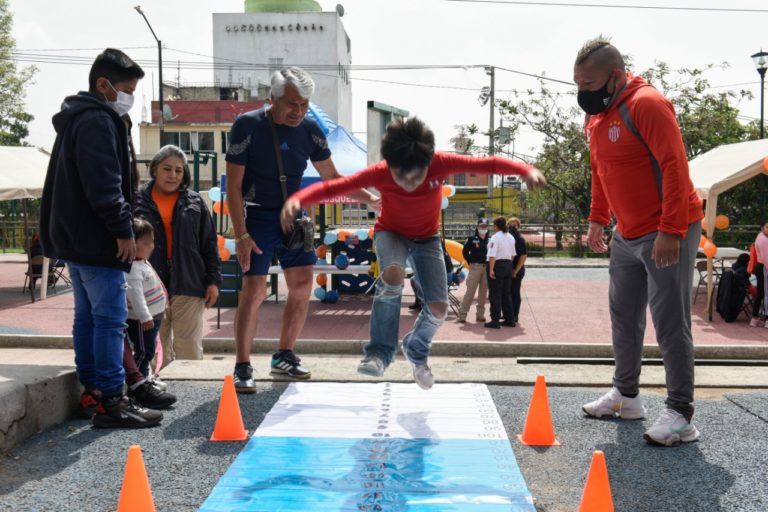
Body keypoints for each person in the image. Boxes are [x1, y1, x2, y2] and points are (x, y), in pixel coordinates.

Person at [281, 117, 546, 389]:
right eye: (401, 176)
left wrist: (525, 169)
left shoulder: (441, 162)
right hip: (391, 234)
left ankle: (416, 349)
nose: (409, 182)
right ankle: (379, 353)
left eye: (416, 176)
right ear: (391, 166)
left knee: (439, 308)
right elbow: (337, 186)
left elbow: (486, 163)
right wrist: (298, 199)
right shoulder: (380, 172)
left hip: (427, 239)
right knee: (393, 276)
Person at [575, 37, 704, 446]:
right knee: (624, 317)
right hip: (626, 233)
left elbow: (674, 165)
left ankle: (681, 414)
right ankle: (626, 396)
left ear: (615, 77)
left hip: (666, 229)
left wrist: (671, 229)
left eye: (590, 83)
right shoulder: (596, 118)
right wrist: (598, 218)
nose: (584, 93)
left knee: (670, 323)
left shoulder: (647, 103)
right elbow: (600, 171)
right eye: (578, 84)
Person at [225, 67, 379, 393]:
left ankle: (285, 355)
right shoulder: (247, 126)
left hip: (294, 216)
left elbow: (333, 178)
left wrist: (371, 200)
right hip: (255, 216)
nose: (299, 112)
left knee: (301, 287)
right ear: (273, 99)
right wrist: (240, 235)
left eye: (305, 105)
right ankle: (242, 365)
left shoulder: (310, 129)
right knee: (253, 292)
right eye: (292, 104)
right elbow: (234, 187)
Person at [39, 48, 162, 428]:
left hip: (78, 239)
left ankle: (95, 390)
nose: (130, 98)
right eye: (125, 89)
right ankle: (112, 400)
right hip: (98, 240)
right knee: (109, 320)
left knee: (89, 318)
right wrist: (122, 229)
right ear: (102, 85)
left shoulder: (79, 117)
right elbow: (104, 183)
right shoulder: (97, 120)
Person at [134, 145, 221, 368]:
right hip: (149, 286)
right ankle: (159, 395)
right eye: (167, 169)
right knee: (154, 350)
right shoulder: (136, 201)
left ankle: (190, 394)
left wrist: (213, 282)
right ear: (154, 170)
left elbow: (209, 244)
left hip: (189, 283)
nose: (173, 175)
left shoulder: (195, 202)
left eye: (179, 170)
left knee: (189, 349)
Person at [124, 218, 177, 409]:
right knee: (144, 351)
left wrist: (162, 304)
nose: (151, 246)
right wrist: (145, 316)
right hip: (140, 320)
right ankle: (137, 386)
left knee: (148, 350)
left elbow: (155, 285)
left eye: (151, 241)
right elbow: (136, 296)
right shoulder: (132, 268)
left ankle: (144, 379)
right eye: (145, 243)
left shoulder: (142, 263)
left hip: (152, 317)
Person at [485, 217, 517, 329]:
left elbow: (492, 255)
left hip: (497, 265)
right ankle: (510, 319)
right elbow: (513, 254)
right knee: (506, 294)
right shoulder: (511, 237)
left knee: (495, 294)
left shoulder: (495, 237)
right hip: (508, 264)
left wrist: (491, 270)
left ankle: (495, 320)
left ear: (496, 226)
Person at [457, 218, 490, 323]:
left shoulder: (491, 239)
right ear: (477, 227)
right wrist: (470, 261)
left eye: (485, 226)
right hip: (475, 267)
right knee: (470, 292)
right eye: (481, 226)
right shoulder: (471, 239)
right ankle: (462, 314)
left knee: (483, 293)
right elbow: (465, 251)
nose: (483, 228)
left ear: (488, 227)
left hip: (486, 268)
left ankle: (480, 315)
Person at [508, 217, 528, 326]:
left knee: (515, 292)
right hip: (507, 270)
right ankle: (508, 313)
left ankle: (515, 315)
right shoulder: (507, 237)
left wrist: (516, 270)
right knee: (507, 293)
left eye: (515, 225)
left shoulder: (519, 239)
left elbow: (523, 256)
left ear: (518, 226)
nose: (512, 226)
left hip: (516, 271)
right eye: (510, 224)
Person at [749, 220, 768, 327]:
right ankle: (765, 319)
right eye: (767, 227)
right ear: (762, 228)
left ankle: (755, 318)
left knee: (761, 293)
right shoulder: (763, 240)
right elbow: (766, 258)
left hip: (761, 267)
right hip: (764, 267)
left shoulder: (761, 237)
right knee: (765, 293)